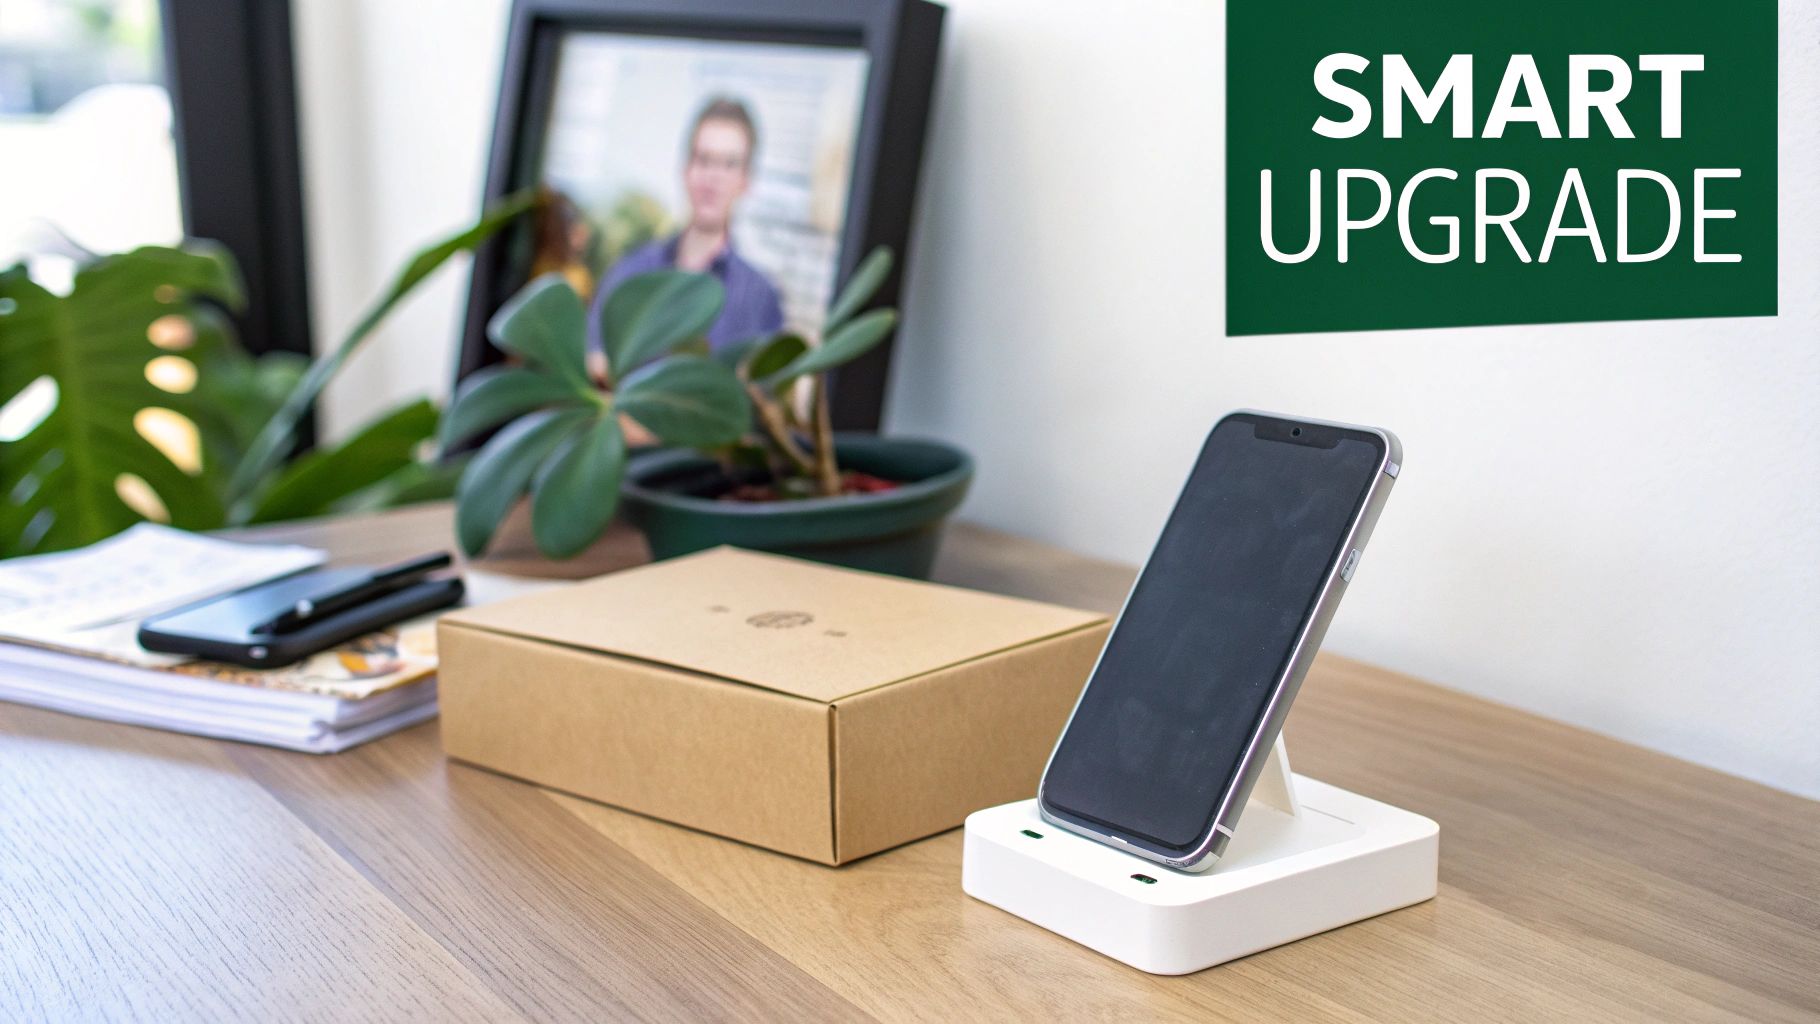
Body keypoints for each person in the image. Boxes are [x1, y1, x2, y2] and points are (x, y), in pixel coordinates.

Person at [587, 96, 785, 364]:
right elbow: (594, 362)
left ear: (745, 180)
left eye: (729, 164)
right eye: (704, 160)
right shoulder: (630, 272)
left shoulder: (760, 298)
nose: (713, 177)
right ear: (686, 169)